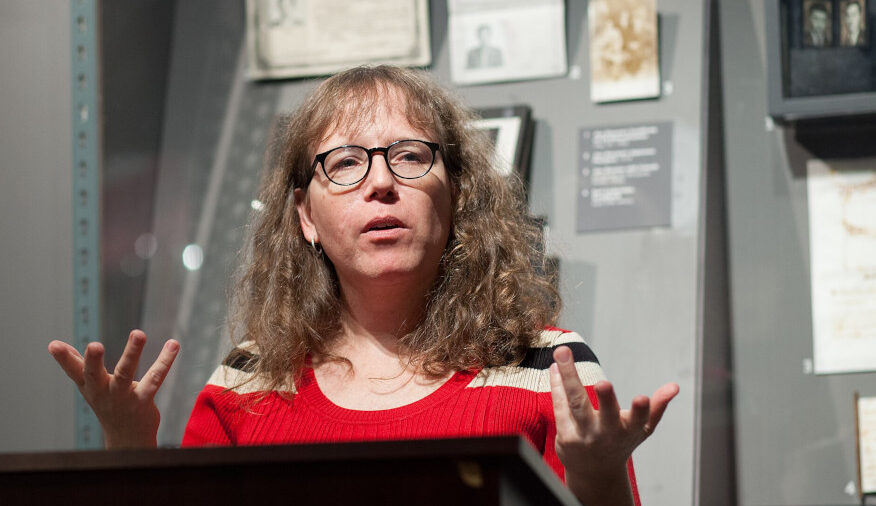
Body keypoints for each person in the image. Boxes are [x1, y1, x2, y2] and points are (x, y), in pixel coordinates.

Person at [49, 65, 678, 506]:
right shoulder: (244, 382)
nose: (381, 184)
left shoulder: (552, 368)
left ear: (455, 195)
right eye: (345, 163)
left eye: (409, 156)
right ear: (304, 216)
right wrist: (127, 445)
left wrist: (600, 484)